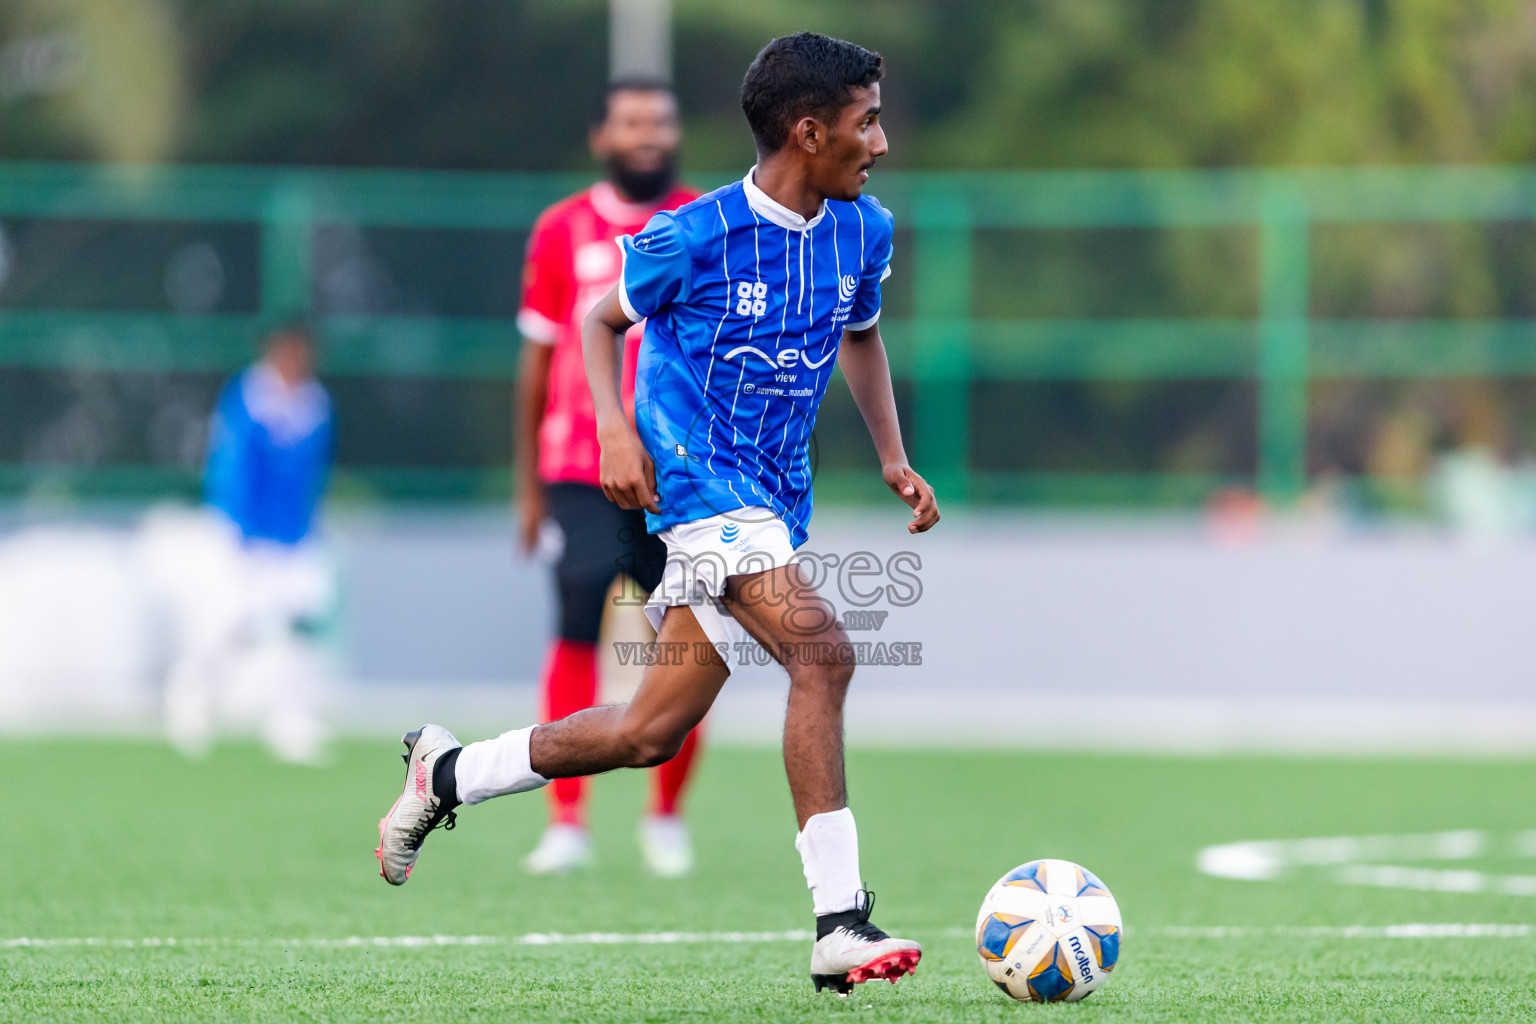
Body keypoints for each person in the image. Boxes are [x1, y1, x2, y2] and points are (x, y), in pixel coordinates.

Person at [376, 33, 939, 994]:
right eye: (866, 122)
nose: (880, 142)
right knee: (826, 652)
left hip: (773, 500)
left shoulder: (863, 229)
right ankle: (839, 922)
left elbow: (864, 334)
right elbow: (599, 320)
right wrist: (613, 429)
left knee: (648, 731)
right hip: (698, 488)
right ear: (810, 132)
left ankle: (445, 776)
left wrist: (891, 454)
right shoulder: (697, 233)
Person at [513, 79, 704, 877]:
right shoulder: (562, 230)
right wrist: (526, 486)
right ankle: (567, 820)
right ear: (602, 137)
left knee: (690, 643)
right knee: (575, 619)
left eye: (660, 121)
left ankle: (665, 816)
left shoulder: (704, 221)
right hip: (578, 467)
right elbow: (535, 358)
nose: (648, 135)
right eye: (632, 123)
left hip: (681, 473)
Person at [163, 321, 335, 763]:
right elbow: (231, 469)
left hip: (294, 535)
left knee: (302, 623)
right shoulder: (247, 397)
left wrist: (304, 532)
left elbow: (310, 478)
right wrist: (239, 533)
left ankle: (292, 719)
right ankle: (194, 696)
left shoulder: (315, 404)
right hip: (245, 533)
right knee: (235, 625)